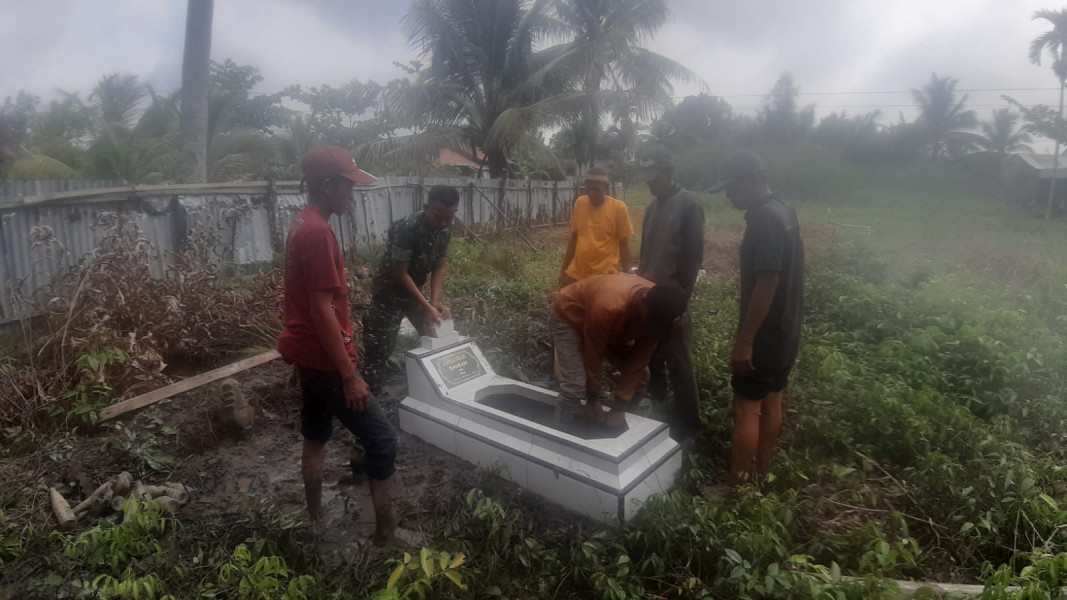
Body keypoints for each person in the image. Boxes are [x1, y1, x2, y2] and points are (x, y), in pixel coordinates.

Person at [276, 145, 397, 543]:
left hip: (307, 355)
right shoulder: (319, 233)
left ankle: (314, 520)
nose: (352, 195)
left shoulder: (302, 221)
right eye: (348, 186)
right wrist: (349, 376)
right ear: (328, 185)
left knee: (315, 435)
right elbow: (321, 309)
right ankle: (385, 534)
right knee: (382, 439)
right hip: (327, 361)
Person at [707, 150, 804, 485]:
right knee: (773, 398)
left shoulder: (763, 219)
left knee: (747, 407)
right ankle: (761, 475)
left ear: (753, 179)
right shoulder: (785, 210)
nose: (729, 196)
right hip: (786, 330)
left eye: (732, 187)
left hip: (764, 334)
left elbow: (768, 281)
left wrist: (745, 341)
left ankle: (737, 491)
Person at [631, 146, 705, 447]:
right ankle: (658, 410)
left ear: (668, 172)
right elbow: (645, 253)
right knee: (651, 357)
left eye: (655, 177)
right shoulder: (652, 207)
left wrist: (680, 304)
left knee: (679, 364)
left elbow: (692, 259)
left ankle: (690, 428)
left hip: (671, 300)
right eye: (647, 178)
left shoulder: (689, 205)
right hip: (649, 295)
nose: (650, 183)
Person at [551, 274, 688, 428]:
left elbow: (639, 361)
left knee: (641, 380)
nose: (652, 328)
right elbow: (593, 353)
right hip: (570, 315)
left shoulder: (662, 314)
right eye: (651, 322)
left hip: (613, 329)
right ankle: (558, 433)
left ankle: (616, 424)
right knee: (574, 386)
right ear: (643, 300)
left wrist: (620, 406)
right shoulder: (608, 306)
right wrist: (592, 397)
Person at [361, 185, 459, 395]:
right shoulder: (408, 227)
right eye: (438, 216)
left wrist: (433, 304)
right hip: (389, 293)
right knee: (379, 348)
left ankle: (434, 388)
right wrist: (426, 305)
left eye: (449, 218)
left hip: (414, 291)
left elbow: (440, 265)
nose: (444, 223)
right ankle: (370, 397)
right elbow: (400, 274)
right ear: (426, 207)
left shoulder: (445, 229)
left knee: (434, 330)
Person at [558, 167, 633, 288]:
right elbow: (574, 238)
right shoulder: (580, 203)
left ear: (606, 188)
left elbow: (623, 244)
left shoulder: (618, 208)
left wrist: (626, 274)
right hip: (577, 274)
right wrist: (563, 270)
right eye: (588, 189)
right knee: (562, 299)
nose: (591, 193)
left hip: (605, 277)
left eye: (596, 189)